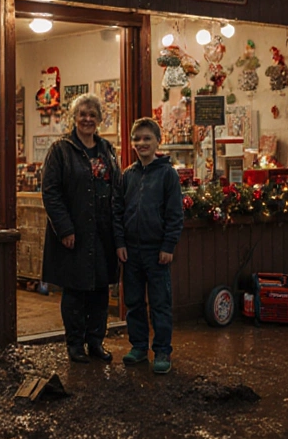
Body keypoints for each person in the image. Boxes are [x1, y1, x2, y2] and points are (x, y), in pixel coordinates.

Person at [40, 93, 121, 364]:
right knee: (74, 291)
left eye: (92, 114)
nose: (87, 119)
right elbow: (50, 192)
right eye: (82, 114)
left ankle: (96, 342)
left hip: (103, 234)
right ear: (74, 118)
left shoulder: (107, 149)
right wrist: (64, 229)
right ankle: (75, 344)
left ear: (99, 119)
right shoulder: (60, 150)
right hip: (75, 233)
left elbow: (116, 188)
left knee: (100, 290)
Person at [113, 117, 183, 374]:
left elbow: (175, 214)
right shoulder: (127, 175)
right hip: (130, 252)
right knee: (133, 302)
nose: (141, 143)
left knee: (160, 302)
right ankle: (139, 347)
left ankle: (162, 350)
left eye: (147, 138)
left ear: (158, 142)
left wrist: (168, 246)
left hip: (157, 252)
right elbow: (117, 212)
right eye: (137, 139)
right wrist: (120, 242)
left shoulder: (168, 175)